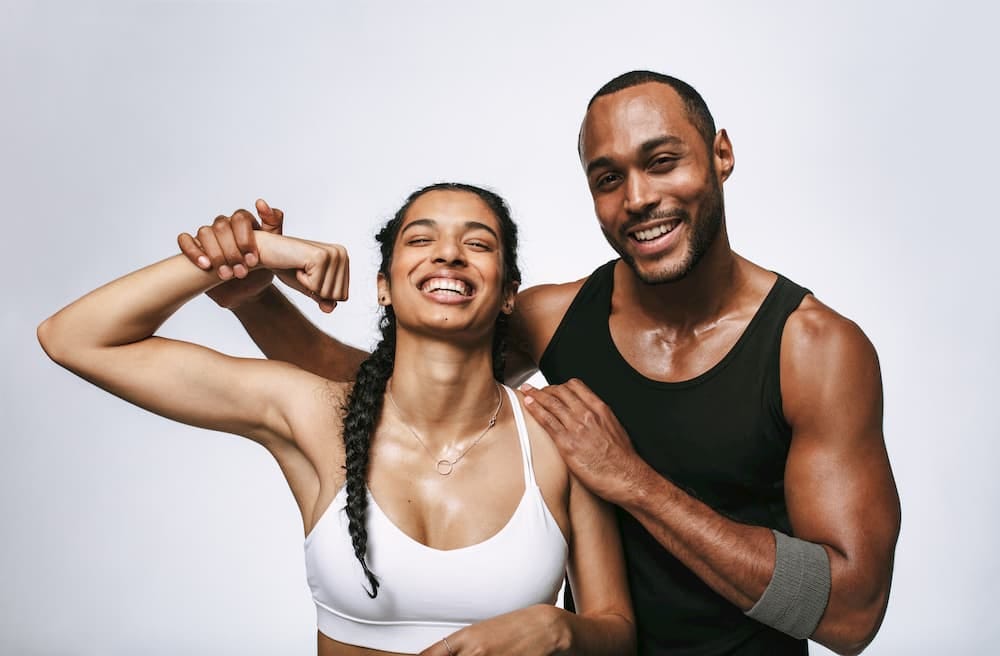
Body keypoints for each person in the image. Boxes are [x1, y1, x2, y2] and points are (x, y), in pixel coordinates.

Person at [178, 72, 901, 656]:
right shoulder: (557, 318)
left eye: (662, 161)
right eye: (607, 177)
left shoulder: (813, 350)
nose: (639, 198)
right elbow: (390, 390)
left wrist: (637, 485)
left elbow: (852, 612)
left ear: (720, 155)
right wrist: (256, 303)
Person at [38, 182, 636, 656]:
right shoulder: (317, 416)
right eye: (421, 240)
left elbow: (617, 631)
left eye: (477, 244)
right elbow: (75, 339)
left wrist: (561, 632)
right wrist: (256, 255)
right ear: (384, 287)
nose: (449, 253)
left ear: (508, 293)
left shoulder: (560, 433)